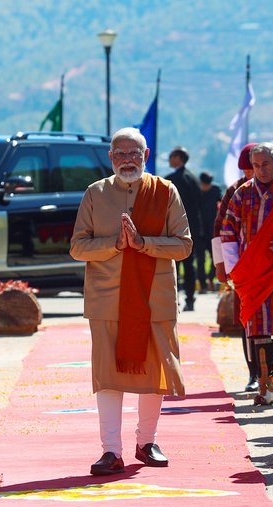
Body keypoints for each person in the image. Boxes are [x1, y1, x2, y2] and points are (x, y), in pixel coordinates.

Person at [70, 127, 192, 475]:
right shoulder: (96, 193)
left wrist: (143, 243)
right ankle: (111, 450)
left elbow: (184, 245)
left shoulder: (165, 192)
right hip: (107, 299)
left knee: (155, 373)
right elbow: (78, 247)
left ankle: (146, 441)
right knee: (108, 376)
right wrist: (116, 245)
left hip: (154, 296)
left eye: (133, 153)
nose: (127, 160)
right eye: (120, 154)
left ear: (146, 156)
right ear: (111, 157)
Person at [221, 143, 273, 406]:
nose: (261, 170)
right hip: (252, 271)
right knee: (258, 328)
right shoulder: (242, 193)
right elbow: (228, 231)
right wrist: (234, 269)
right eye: (256, 165)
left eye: (266, 164)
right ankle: (265, 386)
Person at [212, 143, 259, 392]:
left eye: (262, 165)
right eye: (251, 168)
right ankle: (253, 372)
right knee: (247, 322)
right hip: (244, 269)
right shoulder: (236, 191)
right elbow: (219, 231)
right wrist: (223, 269)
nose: (257, 172)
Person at [165, 146, 202, 311]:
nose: (169, 159)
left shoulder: (172, 180)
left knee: (173, 266)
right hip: (191, 228)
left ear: (178, 158)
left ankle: (173, 299)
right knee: (189, 266)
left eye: (172, 156)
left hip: (174, 228)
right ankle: (190, 299)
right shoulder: (193, 178)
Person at [198, 172, 221, 292]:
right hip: (200, 230)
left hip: (212, 229)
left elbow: (222, 205)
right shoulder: (196, 191)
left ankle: (211, 278)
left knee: (215, 257)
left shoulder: (215, 190)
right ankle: (203, 283)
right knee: (200, 259)